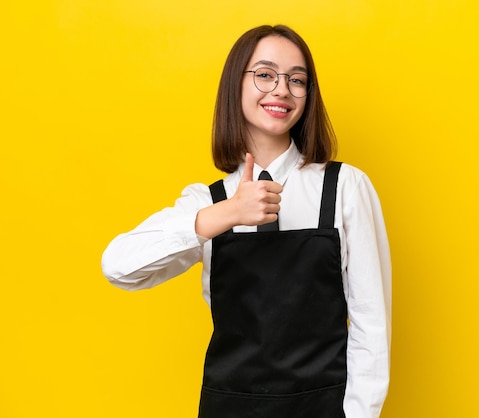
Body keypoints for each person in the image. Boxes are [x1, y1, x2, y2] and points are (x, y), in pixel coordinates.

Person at [102, 24, 391, 418]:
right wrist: (227, 214)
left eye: (297, 80)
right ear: (235, 85)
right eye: (265, 74)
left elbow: (371, 324)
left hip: (322, 408)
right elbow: (118, 267)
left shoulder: (344, 188)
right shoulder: (208, 202)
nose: (282, 90)